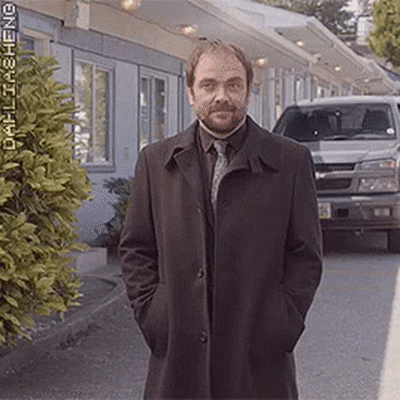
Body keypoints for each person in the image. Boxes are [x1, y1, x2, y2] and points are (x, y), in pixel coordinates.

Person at [118, 40, 323, 400]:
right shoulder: (156, 162)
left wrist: (283, 321)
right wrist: (155, 314)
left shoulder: (290, 162)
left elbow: (306, 255)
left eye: (233, 84)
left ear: (249, 89)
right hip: (178, 357)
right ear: (191, 92)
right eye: (209, 85)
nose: (221, 97)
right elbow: (137, 249)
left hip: (259, 359)